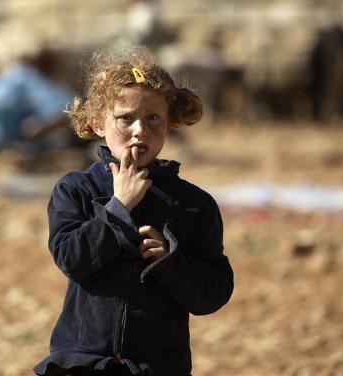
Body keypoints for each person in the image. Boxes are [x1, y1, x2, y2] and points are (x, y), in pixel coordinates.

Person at [33, 47, 234, 376]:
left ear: (169, 123)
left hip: (156, 367)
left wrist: (171, 262)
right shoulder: (76, 190)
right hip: (81, 363)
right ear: (98, 123)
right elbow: (71, 258)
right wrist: (118, 209)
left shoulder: (194, 205)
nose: (140, 130)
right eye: (125, 118)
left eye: (153, 118)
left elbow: (213, 293)